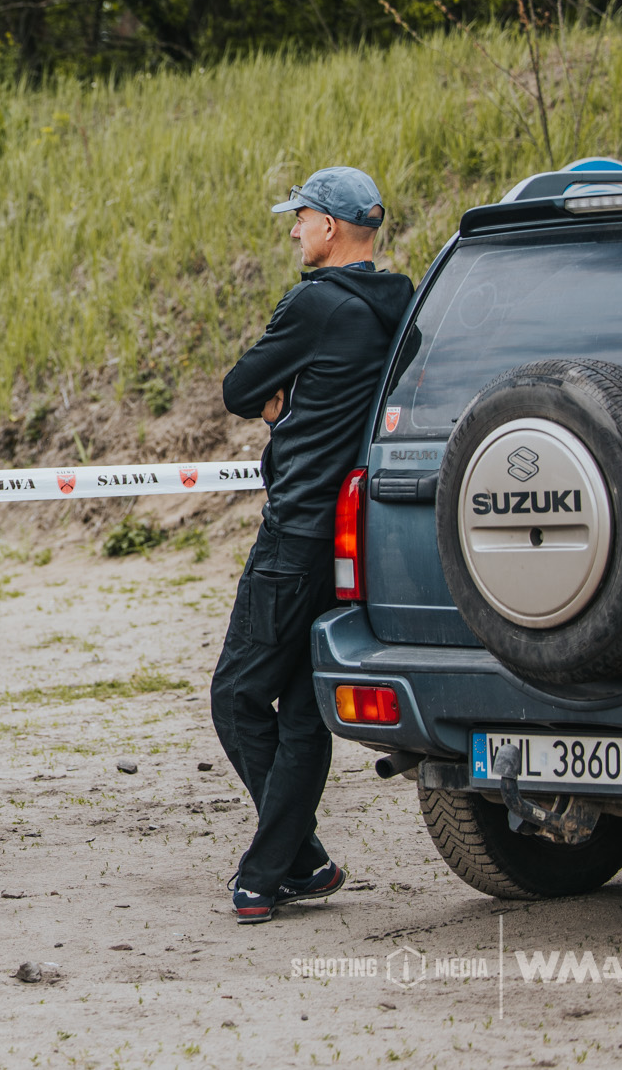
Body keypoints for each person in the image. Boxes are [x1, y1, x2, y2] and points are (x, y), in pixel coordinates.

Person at [215, 166, 412, 924]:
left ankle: (276, 868)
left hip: (295, 529)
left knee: (235, 696)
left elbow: (239, 390)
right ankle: (299, 864)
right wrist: (294, 407)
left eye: (299, 218)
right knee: (300, 708)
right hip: (353, 536)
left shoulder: (314, 301)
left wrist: (280, 406)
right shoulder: (401, 302)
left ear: (329, 227)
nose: (292, 229)